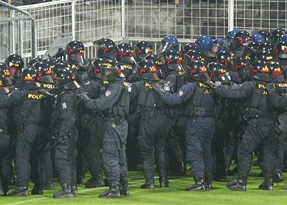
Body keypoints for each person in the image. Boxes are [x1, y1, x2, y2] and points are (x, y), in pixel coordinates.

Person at [214, 60, 281, 191]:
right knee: (267, 152)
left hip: (256, 124)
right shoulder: (273, 87)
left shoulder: (251, 85)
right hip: (271, 123)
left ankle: (241, 182)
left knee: (245, 150)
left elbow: (232, 93)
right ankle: (268, 182)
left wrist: (217, 88)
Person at [161, 60, 216, 191]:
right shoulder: (210, 86)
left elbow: (173, 100)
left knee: (195, 151)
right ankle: (208, 181)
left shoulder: (191, 86)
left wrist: (162, 92)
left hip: (197, 122)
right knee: (206, 152)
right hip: (210, 122)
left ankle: (199, 182)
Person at [82, 60, 130, 198]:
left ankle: (114, 188)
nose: (105, 74)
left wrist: (87, 100)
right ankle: (123, 186)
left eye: (108, 71)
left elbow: (101, 104)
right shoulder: (121, 85)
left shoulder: (115, 87)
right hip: (120, 124)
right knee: (120, 156)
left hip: (113, 124)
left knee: (110, 155)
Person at [7, 68, 50, 196]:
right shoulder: (44, 93)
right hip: (41, 129)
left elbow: (5, 103)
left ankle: (22, 187)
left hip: (26, 129)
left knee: (22, 157)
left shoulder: (20, 93)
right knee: (37, 158)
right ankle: (39, 186)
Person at [130, 59, 170, 189]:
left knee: (146, 151)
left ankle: (150, 182)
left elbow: (128, 98)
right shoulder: (164, 84)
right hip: (163, 119)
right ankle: (164, 181)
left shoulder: (138, 85)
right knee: (161, 150)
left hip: (148, 120)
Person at [49, 68, 80, 198]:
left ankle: (66, 188)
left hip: (66, 131)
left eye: (58, 80)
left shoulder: (66, 96)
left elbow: (68, 118)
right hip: (73, 131)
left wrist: (61, 134)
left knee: (62, 159)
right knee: (70, 160)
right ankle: (72, 187)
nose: (56, 83)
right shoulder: (73, 92)